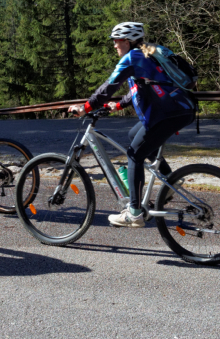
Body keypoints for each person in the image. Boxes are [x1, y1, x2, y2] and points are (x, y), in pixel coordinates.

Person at [69, 22, 196, 228]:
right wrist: (119, 105)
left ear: (126, 41)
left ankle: (134, 213)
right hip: (179, 109)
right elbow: (142, 86)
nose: (114, 45)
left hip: (168, 113)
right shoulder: (150, 51)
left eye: (116, 41)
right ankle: (169, 180)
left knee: (134, 154)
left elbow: (108, 87)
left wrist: (85, 107)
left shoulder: (132, 57)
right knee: (133, 135)